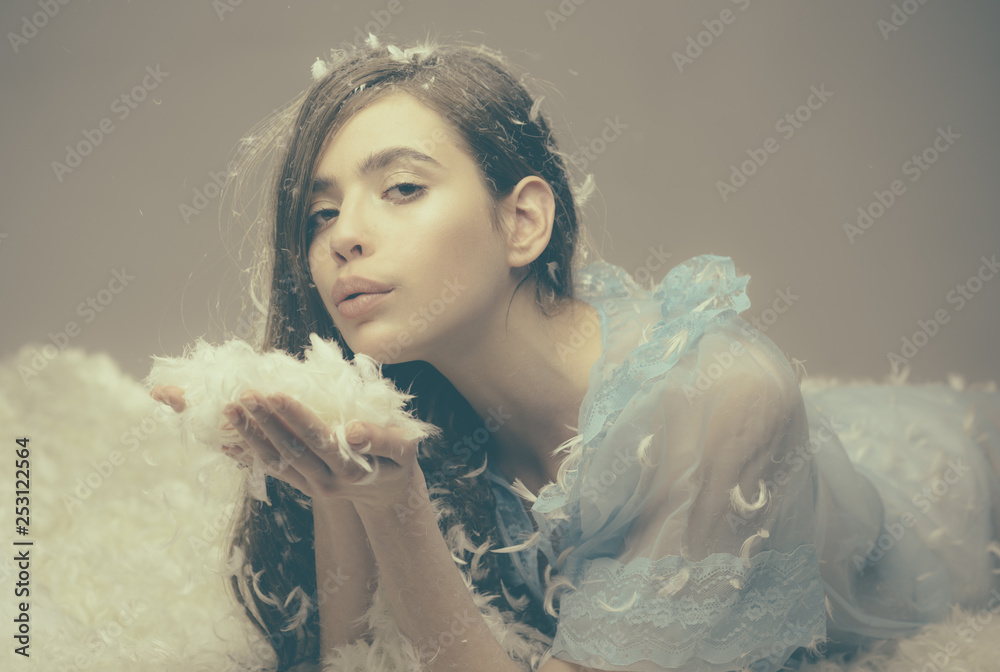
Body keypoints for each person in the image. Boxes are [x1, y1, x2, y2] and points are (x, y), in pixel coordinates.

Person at [150, 34, 1000, 672]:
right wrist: (329, 474)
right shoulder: (414, 397)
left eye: (401, 188)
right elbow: (357, 656)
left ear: (523, 220)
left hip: (945, 486)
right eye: (320, 214)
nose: (344, 239)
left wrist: (398, 509)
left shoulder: (720, 397)